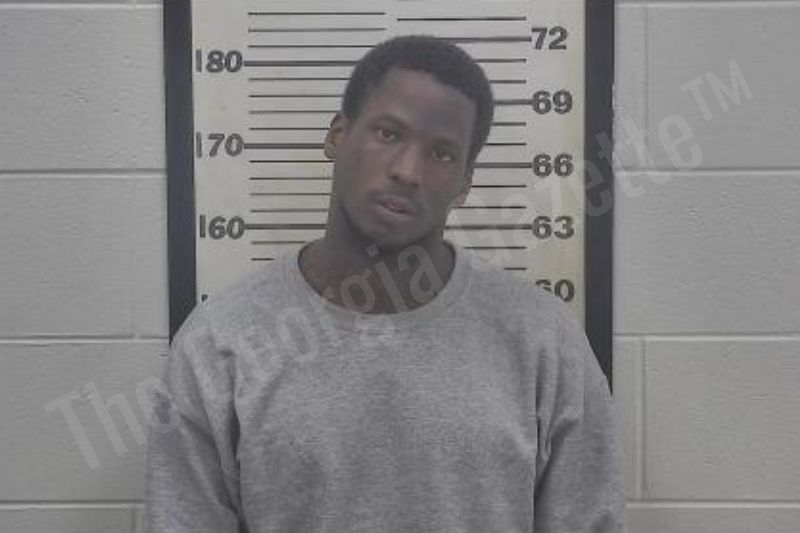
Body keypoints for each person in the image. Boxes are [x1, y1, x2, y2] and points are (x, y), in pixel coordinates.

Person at [146, 35, 627, 533]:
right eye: (388, 133)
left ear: (465, 182)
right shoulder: (219, 344)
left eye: (441, 153)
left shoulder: (545, 342)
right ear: (337, 136)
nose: (407, 171)